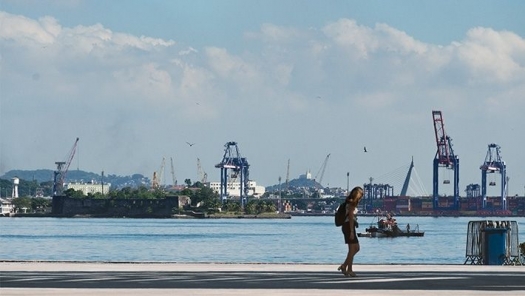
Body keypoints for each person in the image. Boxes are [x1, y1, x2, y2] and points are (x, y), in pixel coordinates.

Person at [338, 186, 364, 277]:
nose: (361, 198)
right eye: (361, 196)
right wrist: (352, 231)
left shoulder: (348, 203)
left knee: (354, 249)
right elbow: (350, 218)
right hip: (349, 227)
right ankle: (348, 268)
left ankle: (346, 267)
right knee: (354, 249)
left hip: (347, 227)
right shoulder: (352, 204)